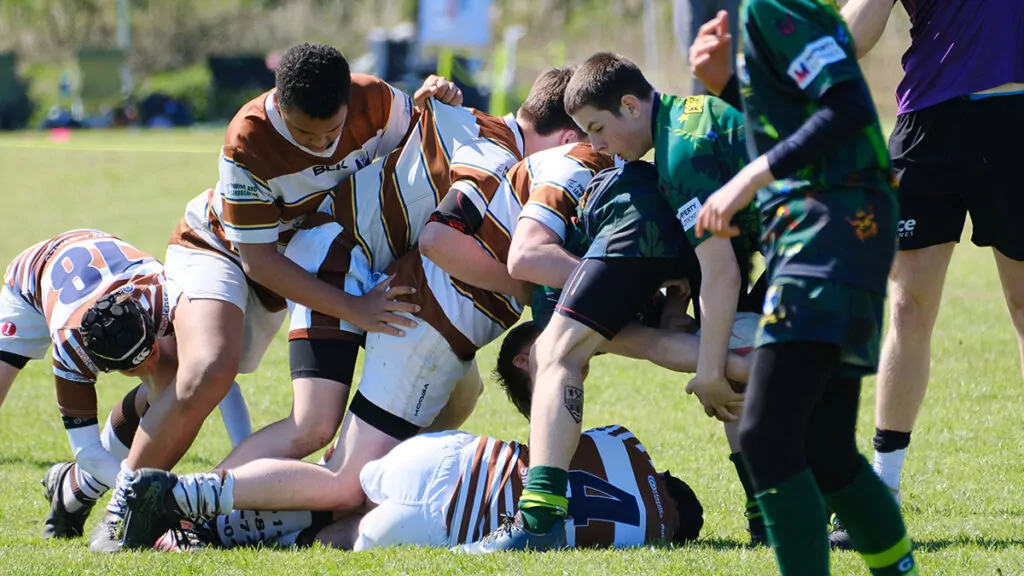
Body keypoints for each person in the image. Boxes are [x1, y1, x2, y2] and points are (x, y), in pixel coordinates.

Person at [89, 42, 464, 552]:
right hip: (222, 249)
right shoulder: (248, 138)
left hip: (315, 258)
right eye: (306, 134)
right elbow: (259, 262)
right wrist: (354, 309)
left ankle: (150, 499)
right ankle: (126, 506)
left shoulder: (375, 100)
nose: (324, 146)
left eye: (333, 132)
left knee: (449, 391)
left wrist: (436, 103)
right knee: (207, 370)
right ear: (278, 104)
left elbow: (419, 152)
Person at [457, 53, 762, 552]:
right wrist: (703, 350)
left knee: (558, 353)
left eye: (597, 129)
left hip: (636, 224)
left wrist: (617, 288)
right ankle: (766, 511)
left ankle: (539, 519)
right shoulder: (677, 130)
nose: (595, 144)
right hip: (693, 235)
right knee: (717, 353)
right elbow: (661, 342)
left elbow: (527, 256)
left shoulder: (552, 296)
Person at [218, 67, 585, 469]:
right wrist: (527, 286)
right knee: (313, 425)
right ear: (568, 141)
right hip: (336, 257)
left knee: (461, 395)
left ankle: (361, 473)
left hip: (378, 270)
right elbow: (438, 242)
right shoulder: (498, 158)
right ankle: (186, 504)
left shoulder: (475, 121)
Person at [692, 0, 917, 573]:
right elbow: (804, 125)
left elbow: (844, 107)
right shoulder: (780, 11)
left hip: (827, 232)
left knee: (767, 436)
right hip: (847, 231)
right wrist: (730, 87)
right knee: (828, 449)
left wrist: (747, 179)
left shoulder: (771, 6)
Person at [0, 230, 249, 539]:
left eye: (152, 350)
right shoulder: (72, 350)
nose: (150, 365)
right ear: (100, 367)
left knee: (181, 378)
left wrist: (248, 457)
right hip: (30, 278)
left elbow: (219, 377)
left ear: (150, 324)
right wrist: (146, 495)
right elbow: (86, 450)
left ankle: (72, 490)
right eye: (135, 368)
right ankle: (74, 490)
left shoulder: (161, 295)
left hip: (103, 260)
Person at [152, 425, 704, 553]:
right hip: (446, 526)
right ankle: (208, 540)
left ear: (668, 481)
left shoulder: (629, 446)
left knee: (338, 487)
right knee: (338, 538)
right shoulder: (648, 540)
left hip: (448, 460)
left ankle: (195, 501)